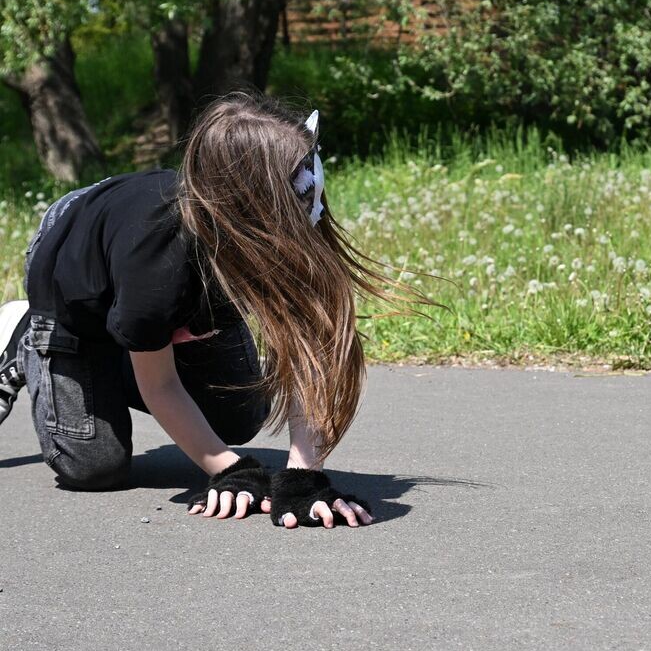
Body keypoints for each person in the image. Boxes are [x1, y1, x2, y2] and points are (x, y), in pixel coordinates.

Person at [0, 91, 409, 529]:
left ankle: (137, 340)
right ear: (251, 201)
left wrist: (303, 478)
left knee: (240, 416)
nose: (314, 190)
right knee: (94, 466)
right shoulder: (157, 267)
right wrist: (230, 471)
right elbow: (159, 385)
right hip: (75, 280)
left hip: (180, 292)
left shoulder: (292, 214)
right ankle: (22, 333)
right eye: (300, 182)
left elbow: (312, 352)